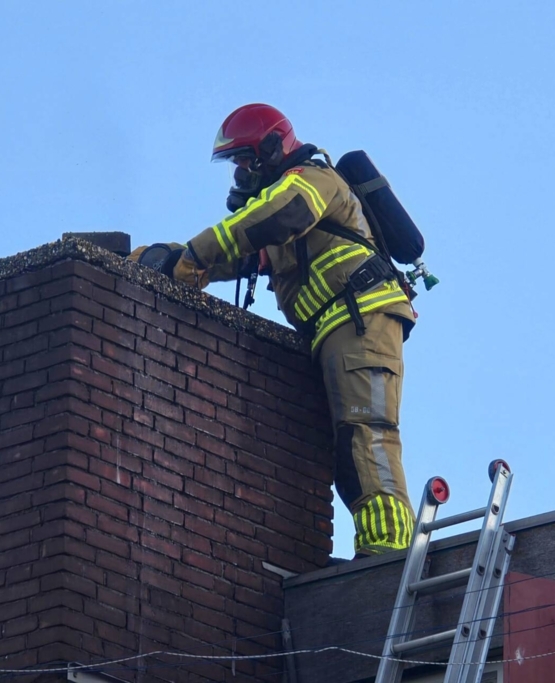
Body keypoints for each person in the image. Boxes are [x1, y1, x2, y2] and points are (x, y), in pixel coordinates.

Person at [169, 103, 416, 558]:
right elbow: (234, 253)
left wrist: (197, 252)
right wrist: (166, 260)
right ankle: (377, 547)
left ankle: (388, 551)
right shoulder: (276, 216)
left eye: (245, 159)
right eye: (234, 164)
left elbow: (273, 218)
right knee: (345, 447)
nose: (240, 172)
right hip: (333, 327)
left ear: (270, 147)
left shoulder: (310, 182)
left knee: (366, 432)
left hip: (362, 316)